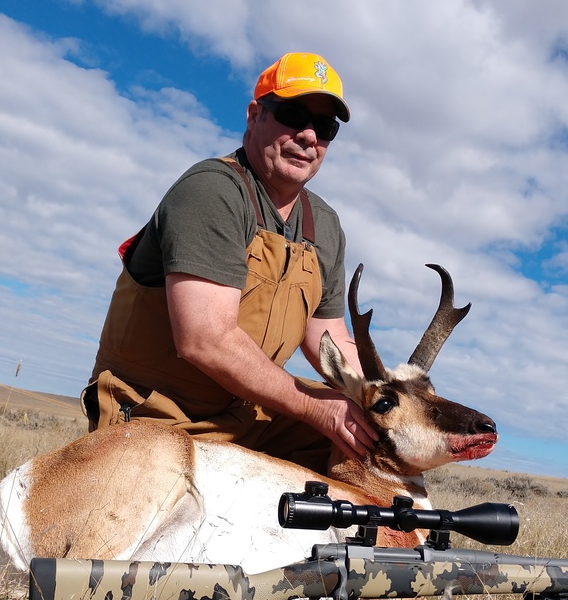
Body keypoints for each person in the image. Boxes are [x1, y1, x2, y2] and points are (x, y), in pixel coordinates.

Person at [83, 52, 377, 472]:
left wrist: (396, 396)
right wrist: (317, 408)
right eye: (293, 115)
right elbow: (205, 338)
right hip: (158, 417)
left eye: (325, 127)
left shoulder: (324, 225)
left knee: (379, 446)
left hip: (246, 418)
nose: (309, 135)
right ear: (255, 115)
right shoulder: (212, 191)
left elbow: (328, 340)